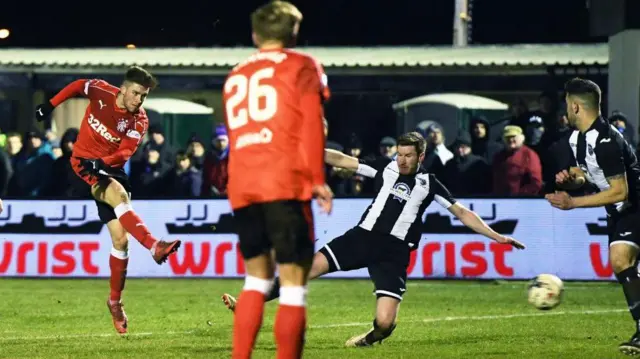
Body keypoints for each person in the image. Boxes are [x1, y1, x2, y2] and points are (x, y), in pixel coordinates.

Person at [223, 131, 525, 348]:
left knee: (384, 323)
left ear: (421, 156)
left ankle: (368, 340)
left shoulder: (429, 184)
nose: (402, 160)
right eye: (400, 154)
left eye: (409, 156)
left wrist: (497, 237)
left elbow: (462, 213)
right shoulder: (386, 167)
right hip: (361, 237)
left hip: (393, 253)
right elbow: (343, 160)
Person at [223, 2, 333, 358]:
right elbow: (313, 124)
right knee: (292, 287)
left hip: (243, 186)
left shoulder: (236, 75)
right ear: (294, 33)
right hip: (284, 183)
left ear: (255, 34)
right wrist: (317, 178)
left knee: (255, 280)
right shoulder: (302, 65)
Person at [34, 66, 181, 335]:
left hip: (108, 166)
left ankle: (114, 302)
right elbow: (78, 84)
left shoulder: (140, 121)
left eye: (144, 96)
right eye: (136, 93)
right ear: (123, 89)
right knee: (119, 195)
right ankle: (154, 245)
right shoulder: (101, 90)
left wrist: (103, 163)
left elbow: (124, 152)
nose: (139, 100)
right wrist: (50, 104)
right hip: (81, 165)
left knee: (121, 241)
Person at [546, 78, 640, 356]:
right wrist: (571, 179)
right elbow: (588, 173)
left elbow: (620, 191)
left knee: (621, 258)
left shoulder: (606, 140)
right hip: (620, 212)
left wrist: (572, 202)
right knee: (626, 265)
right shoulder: (578, 138)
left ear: (575, 106)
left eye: (566, 104)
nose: (565, 110)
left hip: (634, 207)